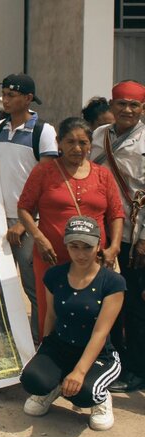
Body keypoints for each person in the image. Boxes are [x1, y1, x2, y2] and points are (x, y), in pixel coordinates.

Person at [19, 117, 124, 340]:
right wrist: (39, 239)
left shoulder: (102, 175)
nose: (77, 148)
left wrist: (114, 247)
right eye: (70, 142)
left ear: (90, 145)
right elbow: (24, 209)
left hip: (91, 260)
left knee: (90, 312)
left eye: (83, 143)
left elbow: (116, 213)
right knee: (50, 312)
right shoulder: (43, 172)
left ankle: (88, 357)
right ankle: (49, 353)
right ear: (58, 142)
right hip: (51, 257)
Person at [20, 216, 124, 431]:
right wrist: (44, 349)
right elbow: (51, 316)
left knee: (83, 394)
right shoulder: (54, 275)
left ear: (98, 246)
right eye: (74, 246)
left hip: (98, 354)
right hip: (61, 346)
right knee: (31, 379)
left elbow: (100, 332)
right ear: (66, 245)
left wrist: (80, 372)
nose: (81, 254)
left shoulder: (113, 283)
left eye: (87, 247)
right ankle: (52, 388)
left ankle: (101, 398)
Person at [89, 80, 145, 392]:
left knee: (134, 304)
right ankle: (112, 360)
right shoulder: (99, 135)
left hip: (134, 235)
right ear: (112, 105)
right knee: (104, 299)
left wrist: (144, 238)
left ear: (142, 108)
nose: (127, 110)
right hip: (103, 229)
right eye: (121, 103)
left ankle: (136, 370)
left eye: (133, 105)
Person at [0, 73, 59, 343]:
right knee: (1, 287)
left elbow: (48, 181)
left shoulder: (43, 131)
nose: (5, 100)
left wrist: (25, 222)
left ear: (28, 98)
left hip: (29, 223)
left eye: (11, 95)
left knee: (33, 288)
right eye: (4, 94)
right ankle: (7, 343)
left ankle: (40, 343)